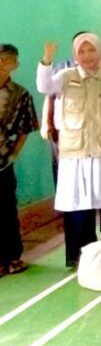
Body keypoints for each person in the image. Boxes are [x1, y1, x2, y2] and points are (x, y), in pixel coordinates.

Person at [36, 34, 101, 267]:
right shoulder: (66, 76)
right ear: (75, 55)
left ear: (100, 51)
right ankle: (85, 258)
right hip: (75, 153)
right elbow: (44, 86)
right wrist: (47, 59)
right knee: (79, 205)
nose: (87, 56)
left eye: (91, 50)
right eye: (81, 52)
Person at [0, 44, 39, 276]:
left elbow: (26, 127)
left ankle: (12, 257)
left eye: (7, 60)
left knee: (7, 209)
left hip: (4, 161)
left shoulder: (21, 94)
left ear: (15, 65)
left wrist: (14, 154)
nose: (2, 64)